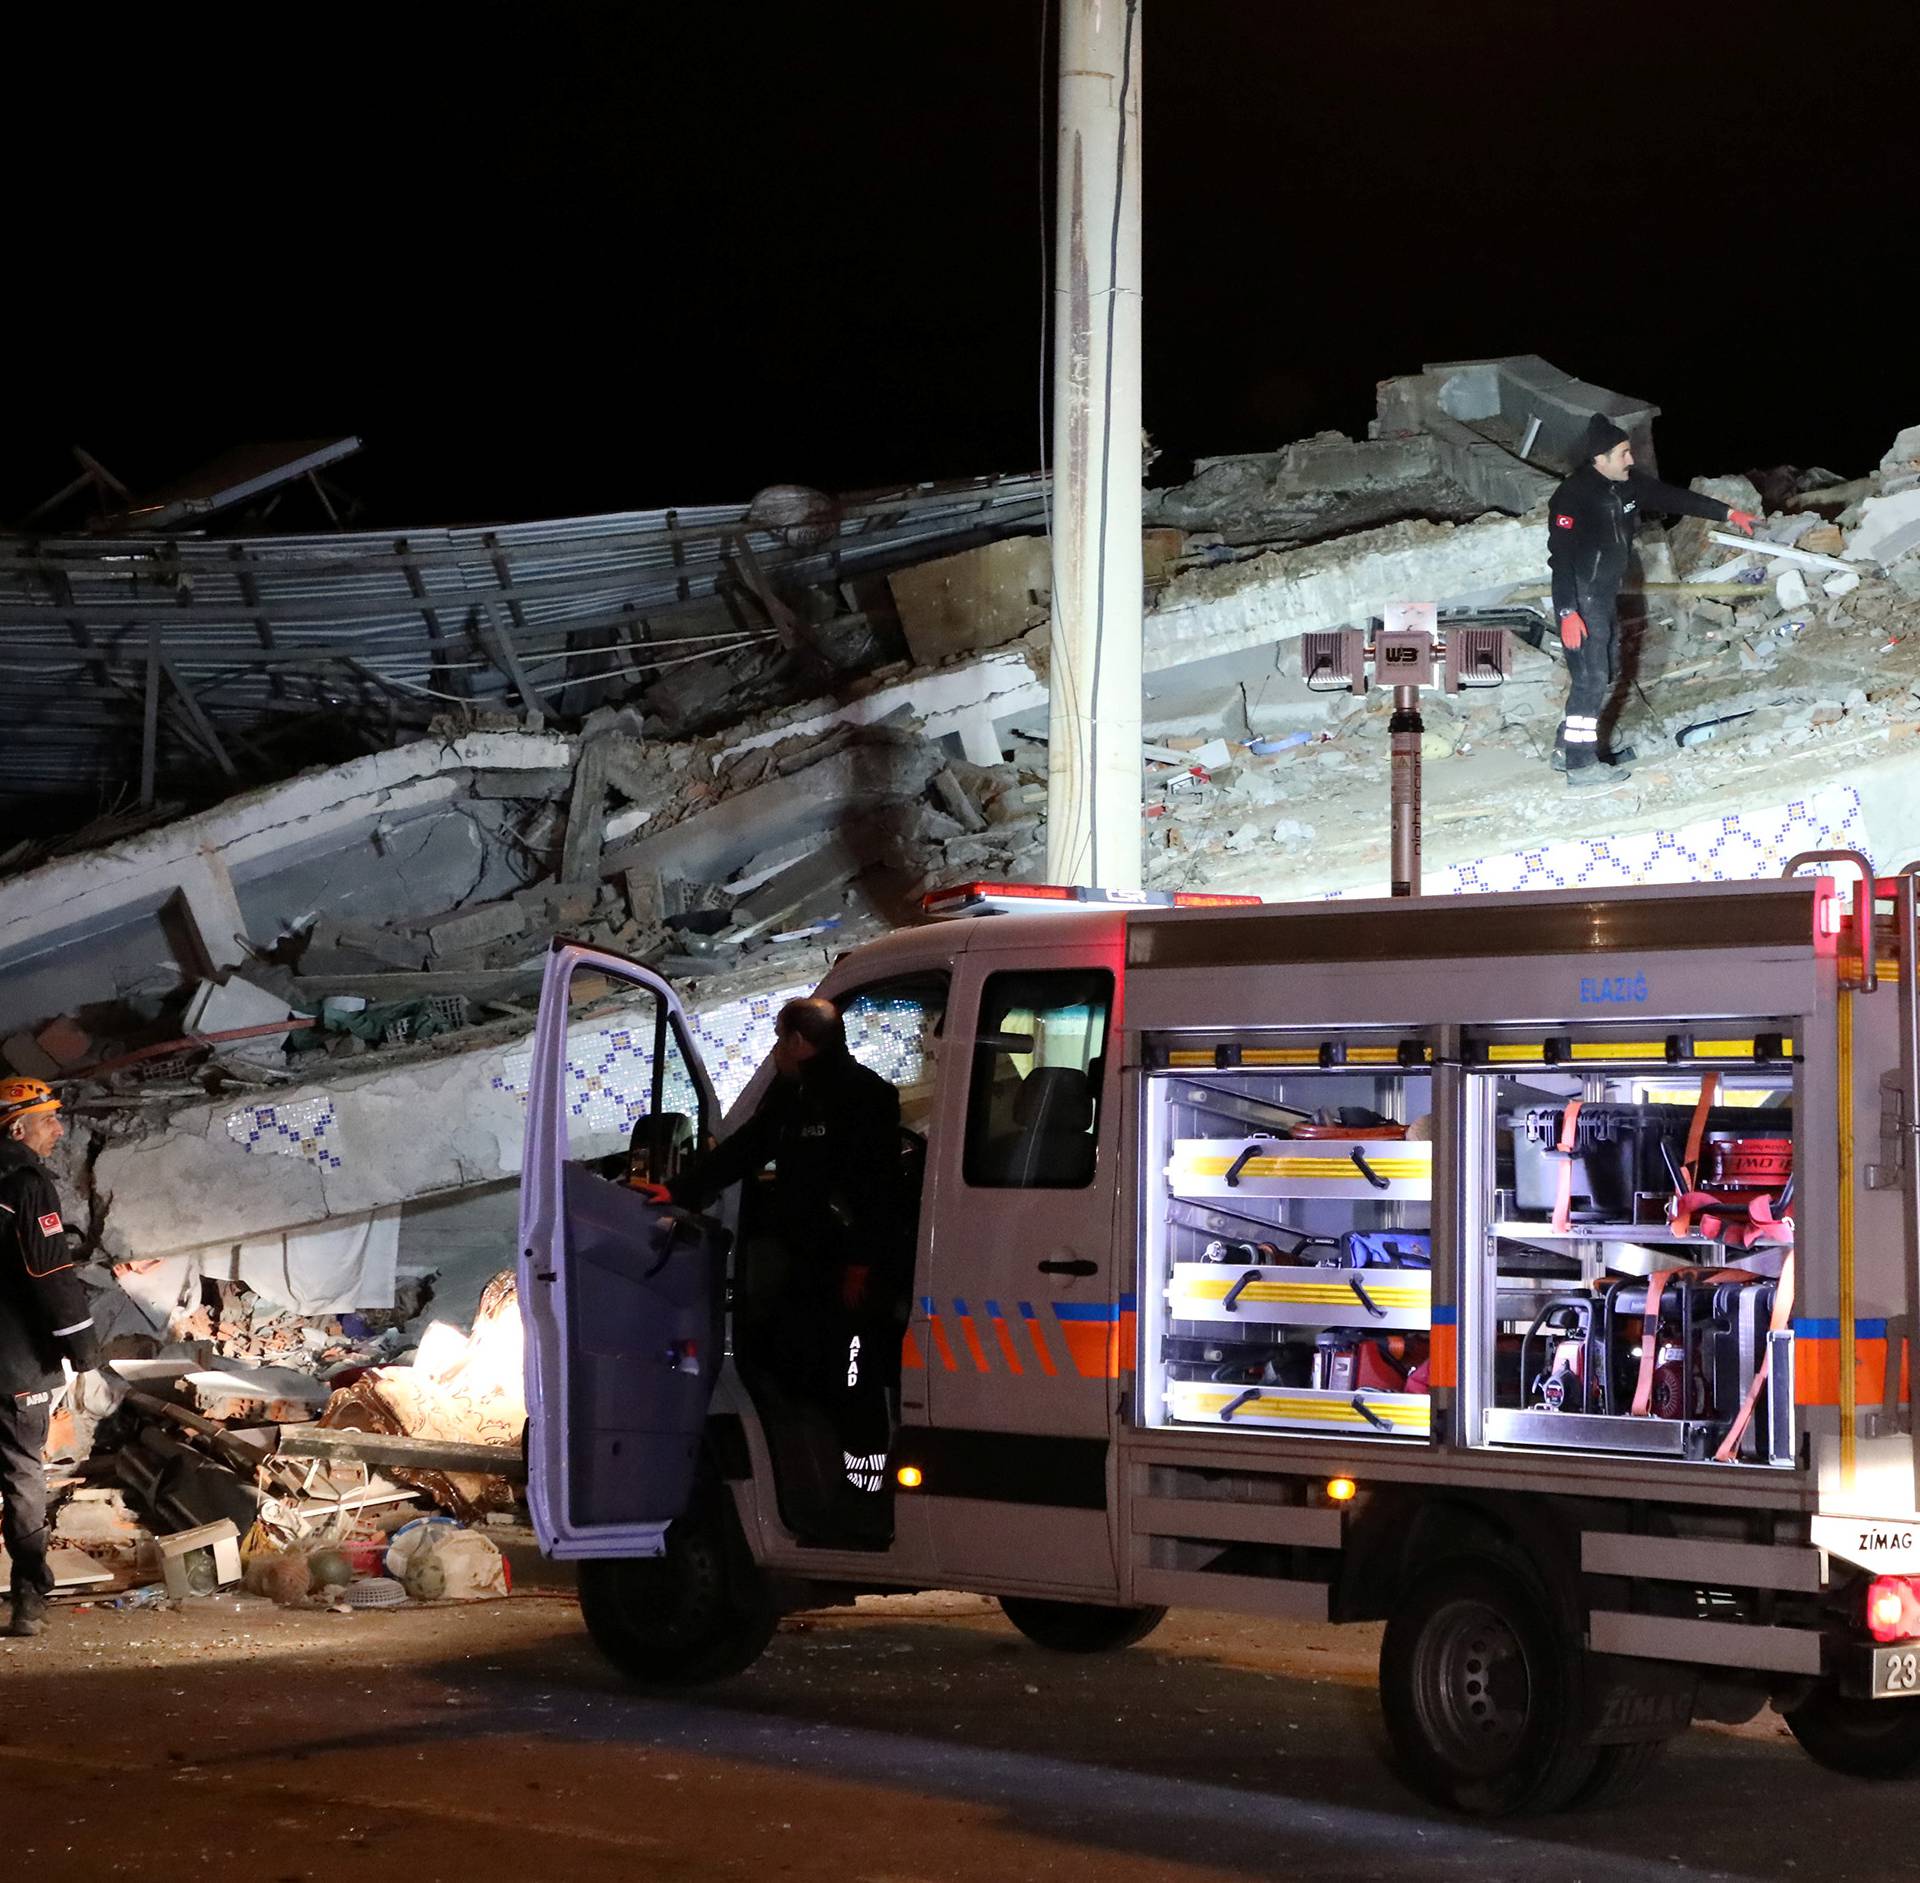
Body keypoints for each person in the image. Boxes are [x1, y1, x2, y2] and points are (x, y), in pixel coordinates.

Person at [655, 998, 910, 1532]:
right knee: (793, 1363)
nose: (775, 1052)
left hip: (853, 1275)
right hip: (808, 1269)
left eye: (779, 1039)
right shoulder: (795, 1100)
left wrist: (861, 1266)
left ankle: (868, 1493)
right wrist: (677, 1191)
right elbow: (743, 1151)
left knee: (853, 1379)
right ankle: (818, 1486)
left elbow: (879, 1194)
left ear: (798, 1042)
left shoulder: (865, 1097)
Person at [1548, 413, 1758, 786]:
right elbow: (1561, 558)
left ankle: (1568, 745)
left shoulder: (1627, 486)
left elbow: (1673, 497)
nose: (1631, 460)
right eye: (1624, 453)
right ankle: (1580, 765)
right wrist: (1567, 611)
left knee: (1605, 670)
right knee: (1591, 679)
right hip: (1581, 597)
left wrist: (1727, 512)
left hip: (1605, 596)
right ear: (1601, 457)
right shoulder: (1572, 496)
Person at [0, 1077, 101, 1638]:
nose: (58, 1130)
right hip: (14, 1361)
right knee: (21, 1474)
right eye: (47, 1120)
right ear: (18, 1128)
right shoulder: (28, 1183)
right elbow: (50, 1274)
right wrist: (84, 1351)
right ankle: (29, 1600)